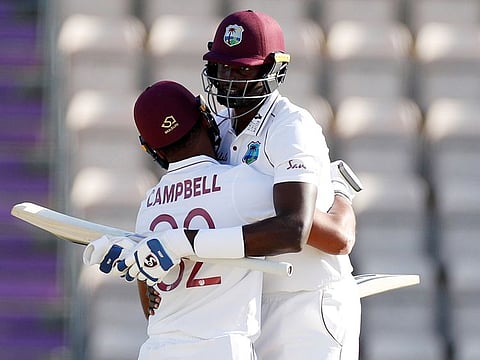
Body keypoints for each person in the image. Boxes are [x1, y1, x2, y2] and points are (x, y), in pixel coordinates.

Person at [82, 80, 359, 359]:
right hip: (223, 348)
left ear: (152, 149)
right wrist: (339, 191)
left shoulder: (149, 206)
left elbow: (150, 304)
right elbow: (317, 230)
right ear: (205, 116)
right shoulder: (242, 184)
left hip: (158, 349)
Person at [199, 10, 362, 359]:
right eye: (222, 67)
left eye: (242, 69)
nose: (228, 79)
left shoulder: (291, 126)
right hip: (250, 301)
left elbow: (294, 229)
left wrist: (194, 245)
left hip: (308, 303)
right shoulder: (221, 126)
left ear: (274, 71)